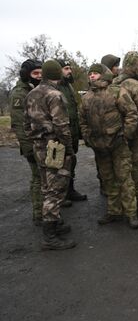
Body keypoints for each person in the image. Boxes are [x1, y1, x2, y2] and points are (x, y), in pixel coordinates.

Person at [80, 64, 138, 229]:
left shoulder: (116, 91)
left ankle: (131, 213)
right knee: (108, 180)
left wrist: (126, 135)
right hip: (99, 147)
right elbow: (83, 121)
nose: (92, 76)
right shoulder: (86, 97)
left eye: (95, 73)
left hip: (118, 145)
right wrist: (88, 138)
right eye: (90, 73)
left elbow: (131, 113)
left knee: (125, 179)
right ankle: (114, 211)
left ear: (103, 75)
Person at [23, 60, 76, 250]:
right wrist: (69, 148)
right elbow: (62, 126)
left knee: (47, 186)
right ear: (57, 74)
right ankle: (50, 236)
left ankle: (55, 224)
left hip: (39, 146)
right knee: (56, 190)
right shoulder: (55, 95)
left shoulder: (31, 93)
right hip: (54, 147)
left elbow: (26, 124)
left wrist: (35, 141)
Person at [113, 51, 138, 212]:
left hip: (117, 133)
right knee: (136, 169)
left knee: (121, 169)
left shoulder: (115, 82)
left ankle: (119, 203)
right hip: (136, 134)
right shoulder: (137, 86)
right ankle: (136, 201)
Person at [9, 59, 43, 226]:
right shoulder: (19, 94)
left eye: (41, 73)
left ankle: (46, 210)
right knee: (38, 179)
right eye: (35, 74)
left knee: (44, 178)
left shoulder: (35, 89)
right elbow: (19, 125)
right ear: (25, 75)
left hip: (41, 143)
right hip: (32, 145)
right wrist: (29, 149)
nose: (39, 76)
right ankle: (39, 214)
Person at [55, 59, 87, 204]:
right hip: (60, 135)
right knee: (60, 166)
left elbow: (73, 110)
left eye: (70, 68)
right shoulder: (55, 87)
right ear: (58, 70)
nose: (70, 71)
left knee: (71, 163)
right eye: (66, 68)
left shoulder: (68, 86)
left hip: (71, 133)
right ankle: (60, 196)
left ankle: (70, 191)